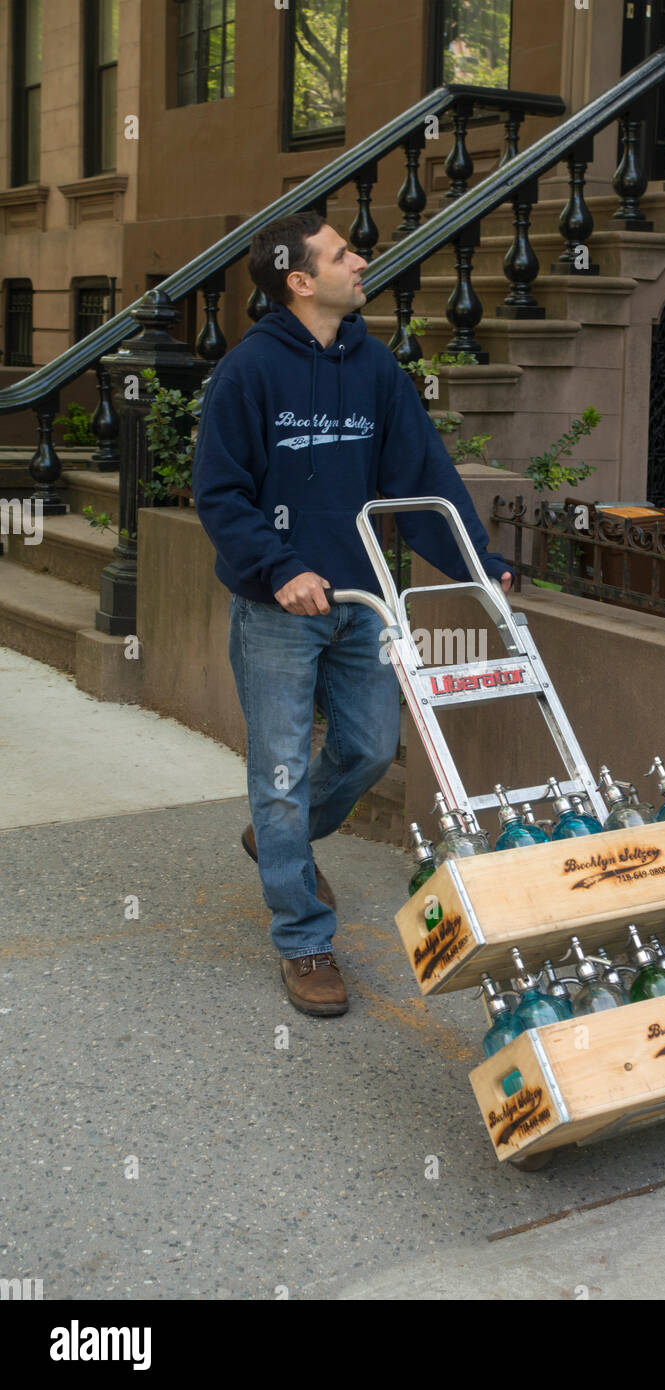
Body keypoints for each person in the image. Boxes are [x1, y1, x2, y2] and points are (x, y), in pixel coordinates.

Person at [192, 211, 512, 1018]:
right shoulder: (248, 372)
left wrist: (483, 566)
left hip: (366, 601)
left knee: (370, 751)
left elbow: (424, 479)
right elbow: (219, 493)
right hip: (280, 609)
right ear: (300, 281)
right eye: (341, 254)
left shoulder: (376, 369)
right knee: (282, 770)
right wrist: (279, 567)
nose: (359, 260)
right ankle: (304, 939)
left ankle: (279, 841)